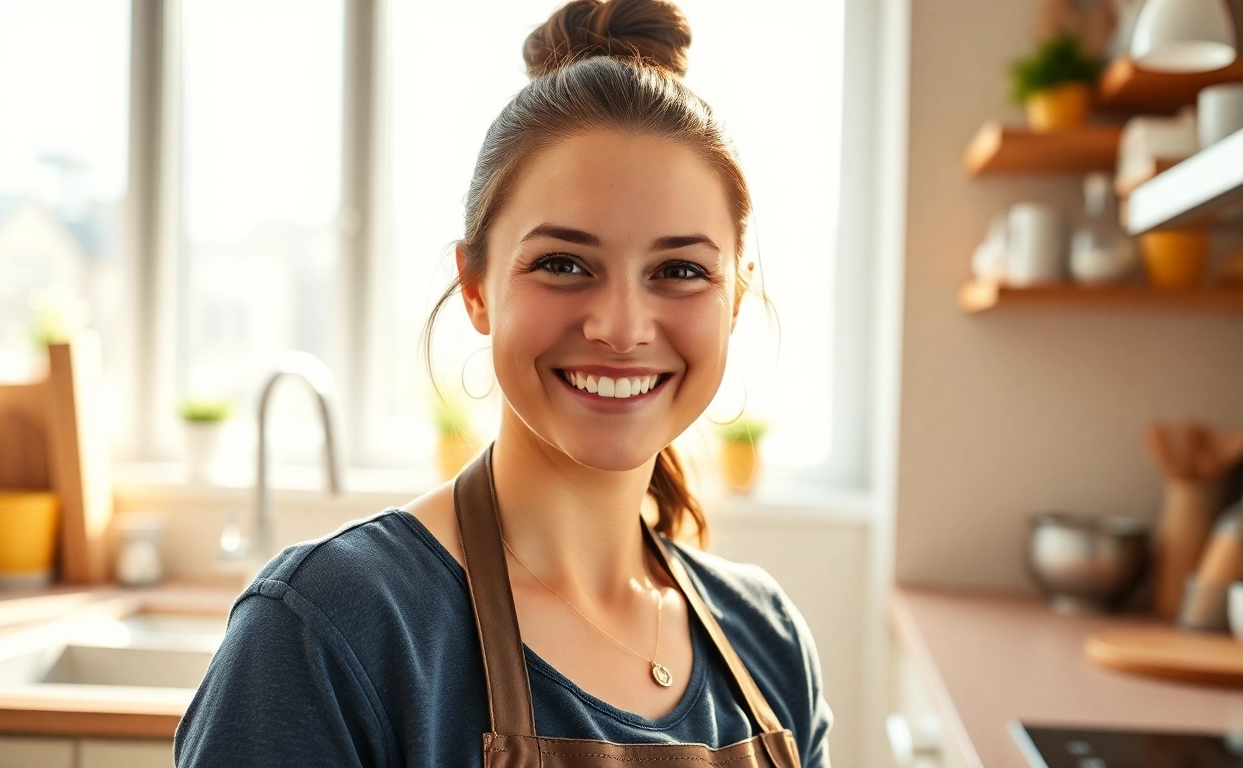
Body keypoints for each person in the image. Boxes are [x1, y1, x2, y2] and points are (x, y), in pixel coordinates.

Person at [174, 0, 833, 765]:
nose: (622, 328)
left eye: (680, 270)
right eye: (563, 263)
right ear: (477, 286)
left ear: (736, 299)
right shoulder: (329, 630)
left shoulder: (771, 644)